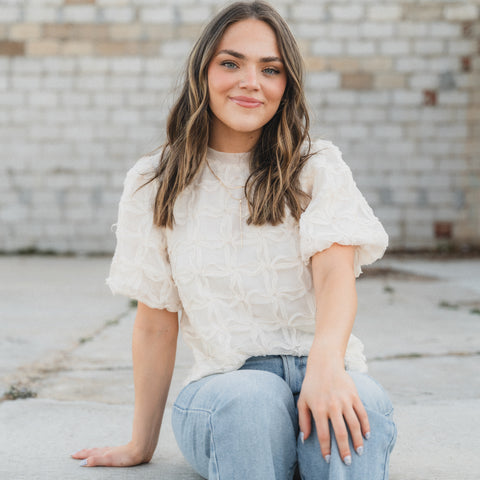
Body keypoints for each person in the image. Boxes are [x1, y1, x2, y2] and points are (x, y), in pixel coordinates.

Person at [71, 1, 397, 478]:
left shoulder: (317, 167)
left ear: (286, 86)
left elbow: (334, 278)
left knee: (360, 401)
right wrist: (141, 442)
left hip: (323, 365)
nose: (251, 82)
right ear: (202, 71)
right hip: (226, 384)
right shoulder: (154, 181)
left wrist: (328, 367)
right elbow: (156, 324)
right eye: (231, 63)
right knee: (252, 400)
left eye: (271, 69)